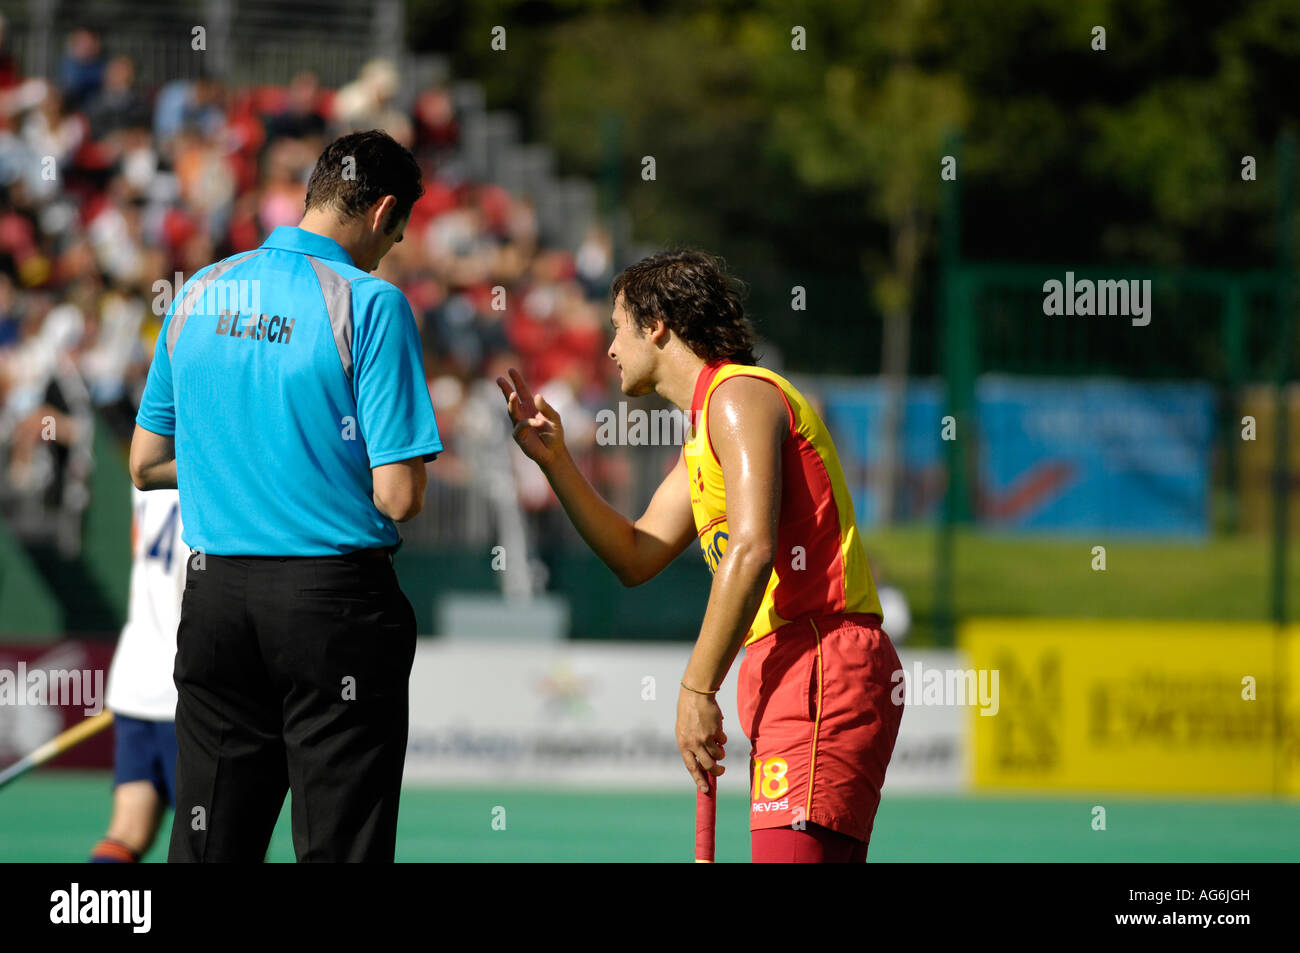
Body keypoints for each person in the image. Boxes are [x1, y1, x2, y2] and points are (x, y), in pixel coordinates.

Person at [499, 249, 904, 863]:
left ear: (656, 324)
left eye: (617, 326)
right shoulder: (703, 432)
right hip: (785, 667)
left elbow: (751, 549)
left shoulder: (739, 397)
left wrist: (696, 689)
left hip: (820, 658)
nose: (609, 348)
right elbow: (634, 556)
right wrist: (556, 463)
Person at [128, 129, 443, 862]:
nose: (389, 250)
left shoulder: (202, 288)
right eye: (395, 234)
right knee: (338, 845)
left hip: (214, 602)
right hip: (331, 605)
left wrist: (246, 460)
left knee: (210, 844)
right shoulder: (371, 303)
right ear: (383, 210)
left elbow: (146, 464)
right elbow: (399, 495)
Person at [91, 486, 184, 863]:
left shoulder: (142, 479)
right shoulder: (218, 479)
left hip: (135, 680)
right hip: (191, 694)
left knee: (127, 830)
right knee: (224, 841)